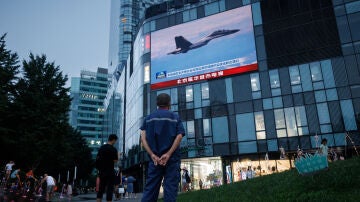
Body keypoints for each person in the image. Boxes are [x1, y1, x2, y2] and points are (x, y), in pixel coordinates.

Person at [140, 93, 185, 202]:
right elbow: (179, 136)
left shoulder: (148, 118)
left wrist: (152, 155)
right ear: (169, 103)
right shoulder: (175, 117)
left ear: (157, 104)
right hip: (171, 159)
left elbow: (143, 138)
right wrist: (168, 154)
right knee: (170, 190)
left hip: (155, 160)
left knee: (150, 190)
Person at [96, 134, 118, 202]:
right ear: (113, 140)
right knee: (109, 189)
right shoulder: (113, 149)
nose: (115, 142)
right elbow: (115, 161)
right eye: (115, 141)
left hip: (102, 171)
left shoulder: (101, 148)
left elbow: (97, 159)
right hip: (110, 171)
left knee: (101, 189)